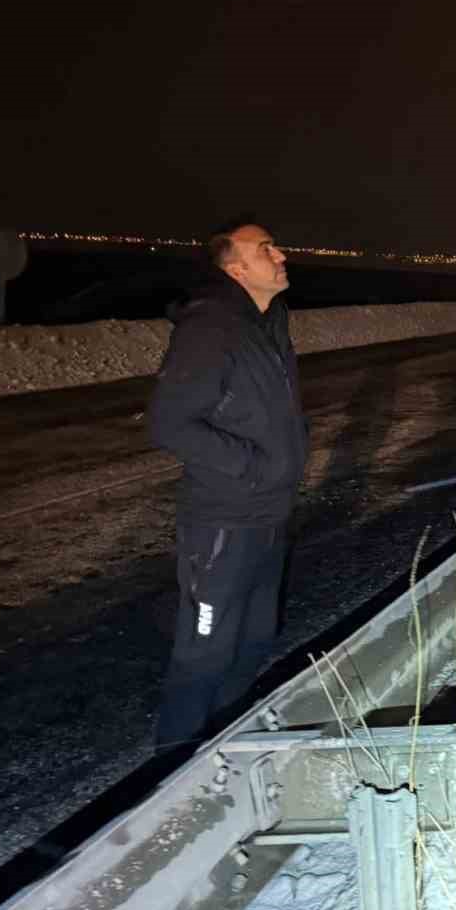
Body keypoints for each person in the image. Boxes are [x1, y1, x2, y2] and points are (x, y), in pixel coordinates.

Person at [148, 220, 309, 747]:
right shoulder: (211, 328)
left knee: (254, 643)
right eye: (266, 248)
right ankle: (170, 777)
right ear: (236, 267)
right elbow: (171, 423)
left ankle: (218, 756)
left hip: (269, 516)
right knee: (204, 655)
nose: (280, 254)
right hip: (222, 523)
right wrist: (254, 466)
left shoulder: (269, 321)